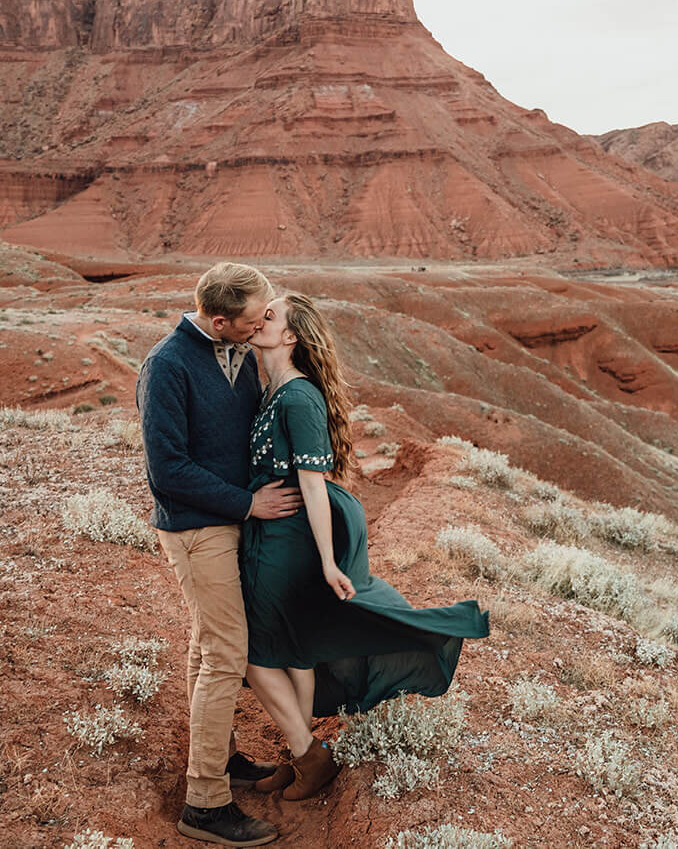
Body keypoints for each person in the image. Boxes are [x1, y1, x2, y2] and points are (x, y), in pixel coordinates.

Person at [239, 294, 490, 800]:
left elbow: (313, 484)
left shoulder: (297, 397)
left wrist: (328, 561)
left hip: (283, 545)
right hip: (270, 535)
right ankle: (302, 754)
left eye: (270, 315)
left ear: (290, 336)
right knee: (297, 646)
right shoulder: (273, 389)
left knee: (254, 654)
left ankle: (308, 752)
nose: (257, 319)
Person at [137, 263, 302, 847]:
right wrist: (246, 504)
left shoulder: (236, 353)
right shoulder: (167, 366)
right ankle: (205, 802)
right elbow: (168, 470)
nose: (264, 320)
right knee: (227, 654)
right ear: (217, 320)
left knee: (207, 646)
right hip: (195, 530)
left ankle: (222, 757)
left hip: (226, 525)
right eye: (254, 315)